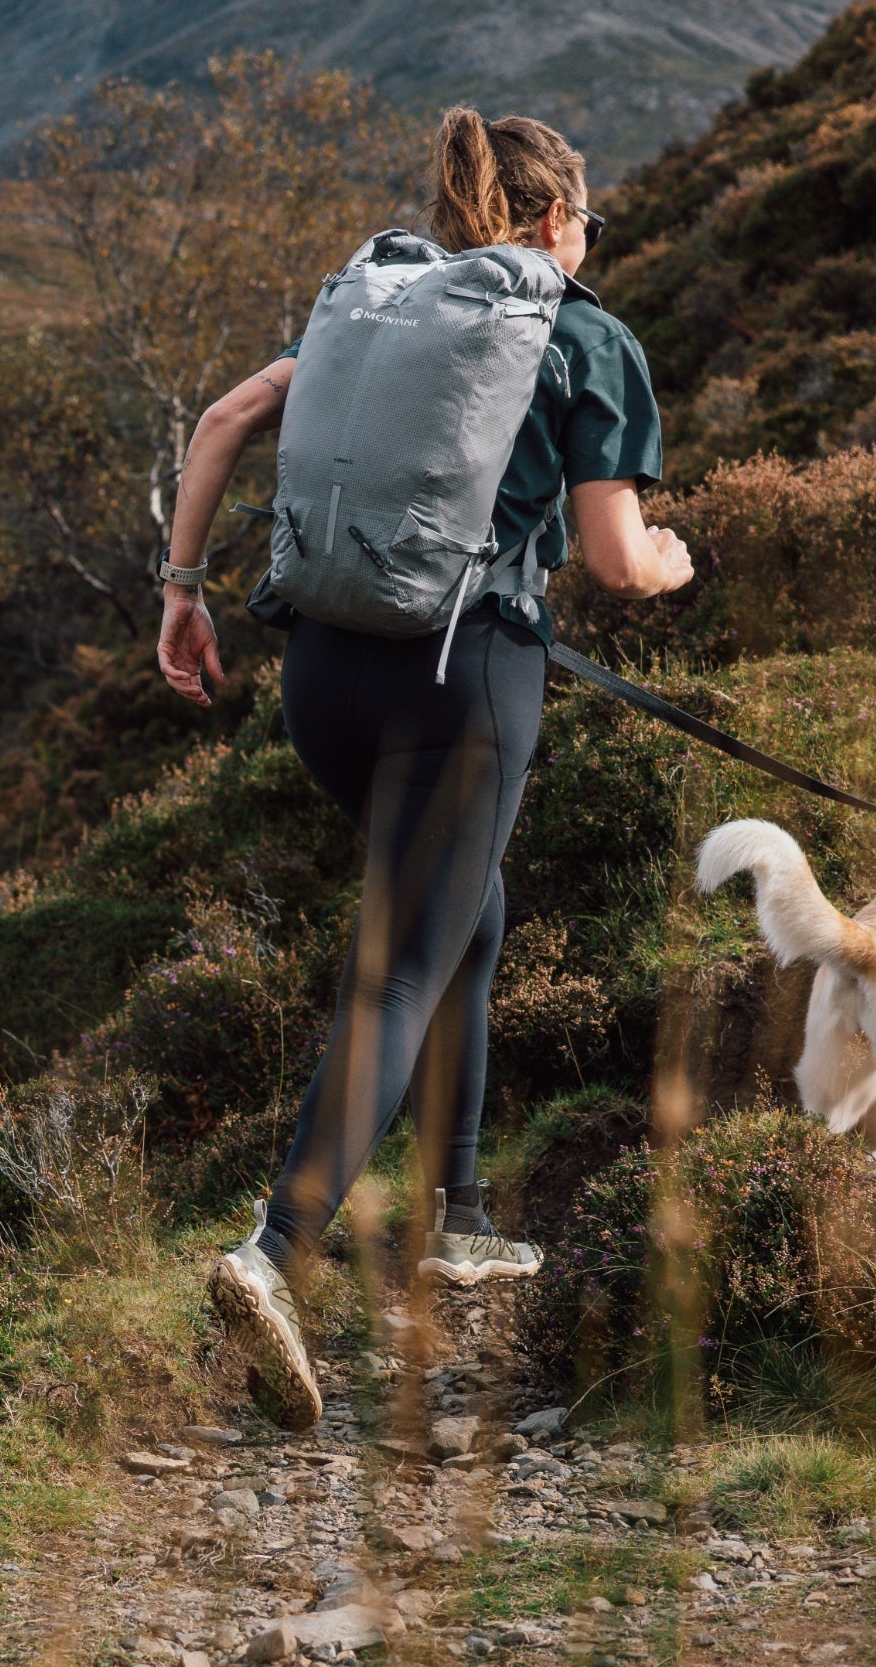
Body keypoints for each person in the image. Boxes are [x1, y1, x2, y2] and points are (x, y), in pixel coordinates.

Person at [155, 107, 693, 1430]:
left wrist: (180, 590)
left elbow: (227, 417)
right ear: (561, 221)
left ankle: (456, 1213)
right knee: (399, 961)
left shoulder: (380, 307)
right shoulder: (585, 337)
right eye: (591, 222)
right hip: (463, 689)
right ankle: (272, 1254)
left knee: (472, 909)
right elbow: (618, 561)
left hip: (323, 677)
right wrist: (673, 564)